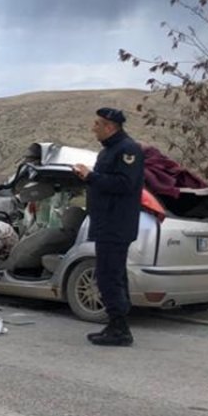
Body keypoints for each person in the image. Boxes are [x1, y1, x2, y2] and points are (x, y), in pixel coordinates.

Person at [72, 107, 145, 346]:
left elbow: (125, 184)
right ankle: (116, 323)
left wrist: (90, 177)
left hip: (116, 224)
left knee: (109, 276)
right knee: (111, 274)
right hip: (106, 222)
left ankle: (120, 328)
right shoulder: (109, 151)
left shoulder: (127, 150)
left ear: (109, 127)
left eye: (97, 124)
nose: (93, 128)